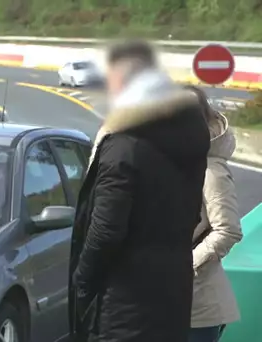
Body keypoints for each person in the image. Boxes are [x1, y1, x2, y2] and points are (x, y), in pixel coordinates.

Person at [68, 40, 211, 342]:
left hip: (124, 305)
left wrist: (82, 281)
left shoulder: (124, 147)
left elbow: (106, 230)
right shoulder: (188, 140)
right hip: (173, 295)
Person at [183, 85, 242, 342]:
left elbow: (228, 230)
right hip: (167, 301)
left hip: (199, 307)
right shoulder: (175, 162)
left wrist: (184, 264)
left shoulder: (211, 169)